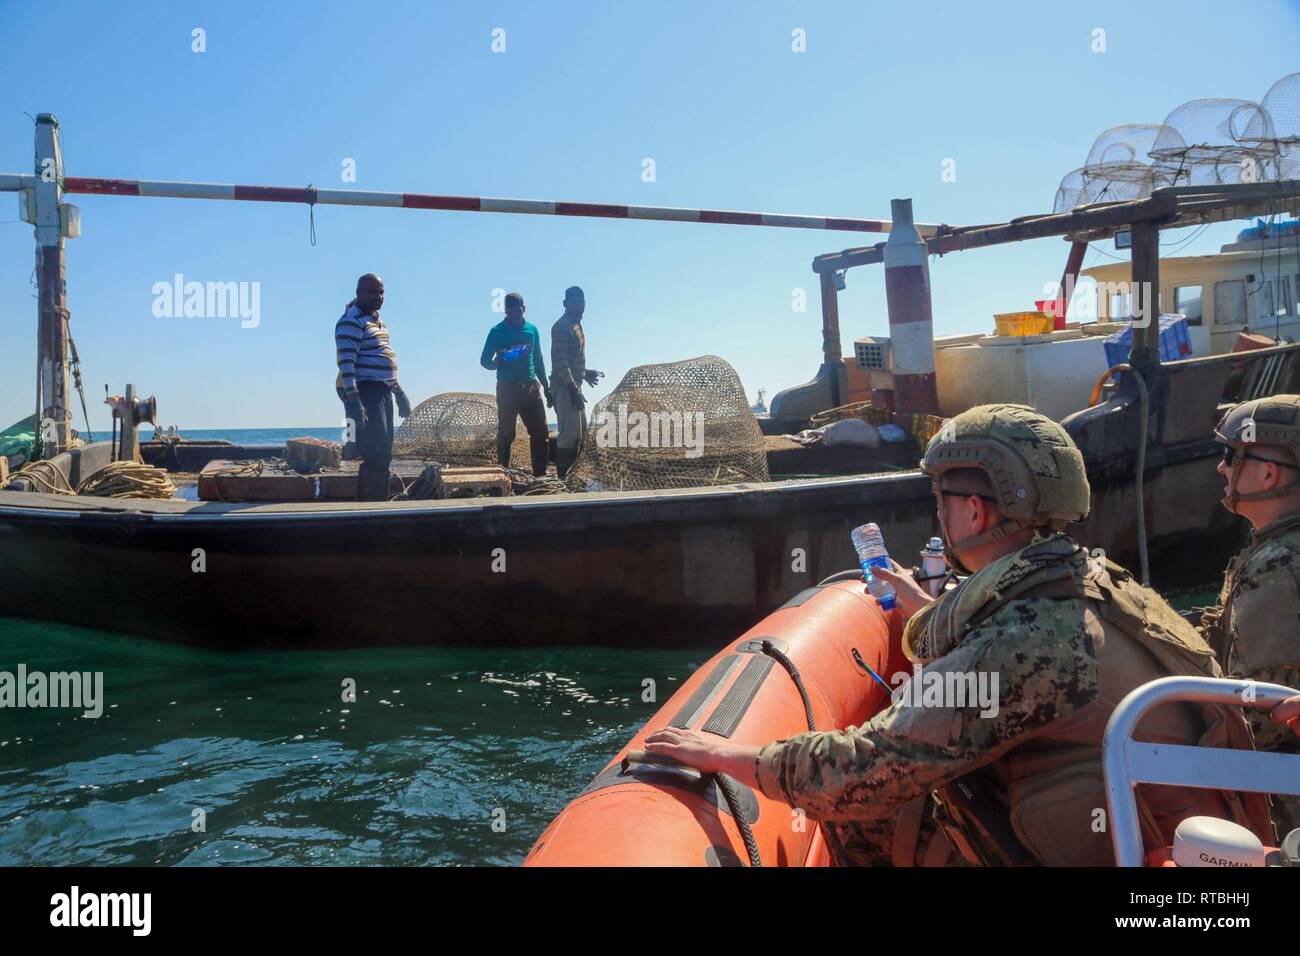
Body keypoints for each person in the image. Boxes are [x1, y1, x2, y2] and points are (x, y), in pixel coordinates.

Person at [646, 403, 1273, 865]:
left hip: (1119, 851)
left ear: (976, 510)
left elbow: (874, 767)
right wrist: (929, 611)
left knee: (871, 820)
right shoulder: (1098, 583)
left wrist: (736, 758)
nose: (940, 512)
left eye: (943, 497)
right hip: (1158, 835)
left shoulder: (1027, 637)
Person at [1198, 395, 1300, 838]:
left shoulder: (1277, 565)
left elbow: (1260, 714)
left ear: (1268, 473)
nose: (1222, 468)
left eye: (1230, 456)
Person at [334, 273, 411, 501]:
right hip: (362, 390)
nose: (378, 297)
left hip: (381, 390)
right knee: (375, 451)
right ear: (358, 293)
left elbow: (382, 362)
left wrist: (400, 393)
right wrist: (356, 403)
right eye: (372, 292)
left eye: (381, 292)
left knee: (385, 448)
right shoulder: (350, 321)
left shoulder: (377, 321)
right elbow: (347, 366)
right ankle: (370, 505)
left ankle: (378, 499)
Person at [480, 292, 551, 476]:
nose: (514, 315)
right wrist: (499, 360)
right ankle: (504, 473)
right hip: (507, 387)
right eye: (510, 312)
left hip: (530, 386)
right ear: (505, 311)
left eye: (518, 311)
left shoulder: (532, 330)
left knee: (540, 432)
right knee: (506, 433)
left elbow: (539, 359)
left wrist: (546, 386)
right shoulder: (496, 332)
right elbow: (485, 361)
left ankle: (540, 476)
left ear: (524, 309)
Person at [549, 286, 602, 478]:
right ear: (565, 304)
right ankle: (564, 477)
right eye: (575, 302)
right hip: (565, 387)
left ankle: (574, 476)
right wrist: (573, 390)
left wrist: (585, 373)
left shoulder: (575, 325)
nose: (580, 306)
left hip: (574, 385)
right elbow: (560, 362)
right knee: (569, 436)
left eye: (582, 302)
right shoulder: (561, 327)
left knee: (580, 433)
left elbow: (570, 359)